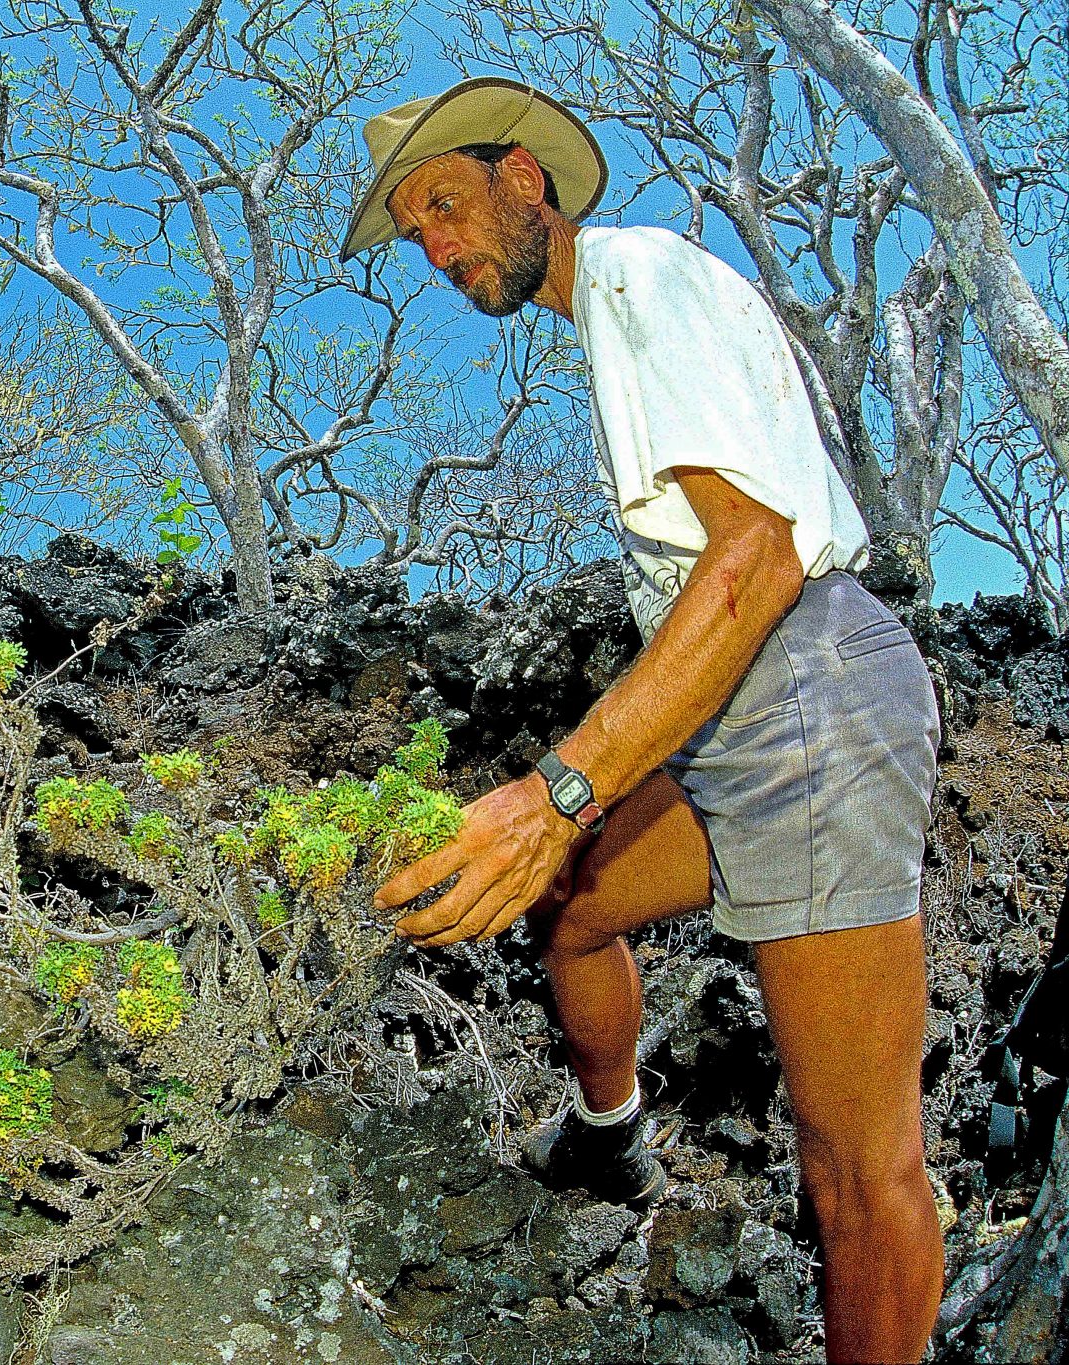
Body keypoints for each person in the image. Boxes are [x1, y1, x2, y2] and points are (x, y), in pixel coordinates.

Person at [344, 77, 944, 1364]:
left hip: (812, 700)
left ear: (525, 178)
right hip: (731, 721)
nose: (439, 249)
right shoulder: (606, 316)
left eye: (445, 206)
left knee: (853, 1167)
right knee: (574, 910)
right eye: (416, 237)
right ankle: (609, 1138)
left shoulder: (637, 277)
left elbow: (753, 562)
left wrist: (556, 792)